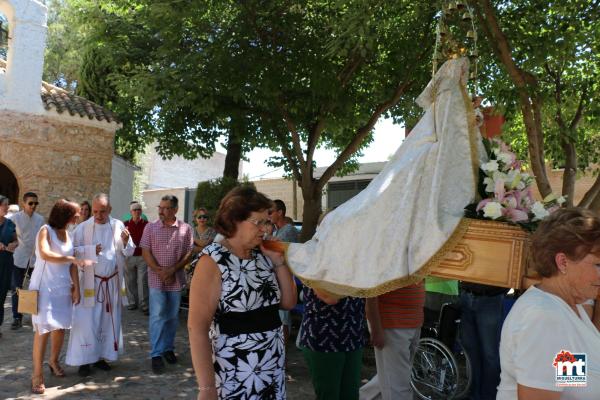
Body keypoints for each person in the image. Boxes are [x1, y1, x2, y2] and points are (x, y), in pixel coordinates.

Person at [188, 186, 297, 399]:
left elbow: (289, 302)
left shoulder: (263, 255)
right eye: (259, 222)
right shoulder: (213, 260)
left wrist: (279, 262)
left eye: (268, 222)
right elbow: (197, 328)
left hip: (271, 368)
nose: (266, 229)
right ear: (235, 220)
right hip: (236, 371)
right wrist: (207, 389)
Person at [497, 208, 600, 400]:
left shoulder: (568, 308)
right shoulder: (545, 317)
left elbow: (570, 381)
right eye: (598, 265)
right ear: (562, 262)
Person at [66, 193, 134, 376]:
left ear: (109, 210)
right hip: (90, 283)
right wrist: (89, 251)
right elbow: (71, 252)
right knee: (87, 322)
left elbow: (129, 251)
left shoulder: (118, 225)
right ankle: (84, 361)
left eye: (102, 211)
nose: (98, 215)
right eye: (95, 211)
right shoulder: (82, 228)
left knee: (106, 321)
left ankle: (101, 357)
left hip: (111, 283)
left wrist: (126, 242)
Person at [29, 200, 87, 394]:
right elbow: (45, 254)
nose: (78, 217)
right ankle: (37, 374)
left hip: (63, 287)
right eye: (76, 214)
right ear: (66, 214)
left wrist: (76, 288)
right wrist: (72, 258)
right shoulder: (45, 230)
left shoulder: (69, 235)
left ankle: (53, 360)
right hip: (44, 287)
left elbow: (72, 266)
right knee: (43, 329)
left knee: (61, 326)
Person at [140, 195, 194, 374]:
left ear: (175, 210)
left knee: (172, 316)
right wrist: (160, 271)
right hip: (156, 279)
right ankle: (156, 354)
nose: (161, 211)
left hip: (176, 279)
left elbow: (188, 253)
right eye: (160, 207)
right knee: (157, 315)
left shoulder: (185, 229)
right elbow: (145, 251)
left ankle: (168, 348)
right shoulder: (150, 227)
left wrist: (172, 270)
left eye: (166, 208)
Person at [359, 282, 425, 400]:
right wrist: (376, 328)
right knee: (398, 384)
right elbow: (371, 292)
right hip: (392, 323)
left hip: (413, 322)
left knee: (394, 377)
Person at [299, 286, 367, 400]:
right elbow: (330, 298)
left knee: (351, 395)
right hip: (324, 338)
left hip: (353, 334)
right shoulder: (313, 267)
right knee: (329, 395)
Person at [459, 281, 507, 400]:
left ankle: (489, 396)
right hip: (466, 296)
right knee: (471, 353)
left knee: (489, 354)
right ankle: (474, 395)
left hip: (490, 298)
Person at [10, 191, 45, 330]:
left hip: (35, 260)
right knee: (16, 288)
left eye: (36, 203)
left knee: (35, 288)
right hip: (18, 258)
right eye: (30, 203)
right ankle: (17, 318)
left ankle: (35, 317)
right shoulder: (14, 219)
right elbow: (11, 238)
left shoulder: (40, 219)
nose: (33, 206)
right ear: (23, 203)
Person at [270, 199, 299, 343]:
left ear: (280, 212)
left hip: (285, 278)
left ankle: (284, 352)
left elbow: (274, 250)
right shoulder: (277, 230)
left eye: (271, 212)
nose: (268, 215)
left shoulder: (288, 230)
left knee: (283, 318)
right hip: (277, 278)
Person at [124, 201, 149, 314]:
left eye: (139, 209)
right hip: (129, 256)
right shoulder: (125, 225)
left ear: (141, 211)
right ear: (131, 212)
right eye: (135, 210)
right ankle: (132, 302)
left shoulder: (147, 225)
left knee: (142, 280)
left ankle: (144, 304)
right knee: (130, 280)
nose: (137, 211)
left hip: (142, 256)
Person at [0, 195, 18, 338]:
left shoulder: (10, 223)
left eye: (7, 205)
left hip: (5, 264)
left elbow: (15, 240)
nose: (7, 207)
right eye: (5, 205)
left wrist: (14, 245)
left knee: (1, 296)